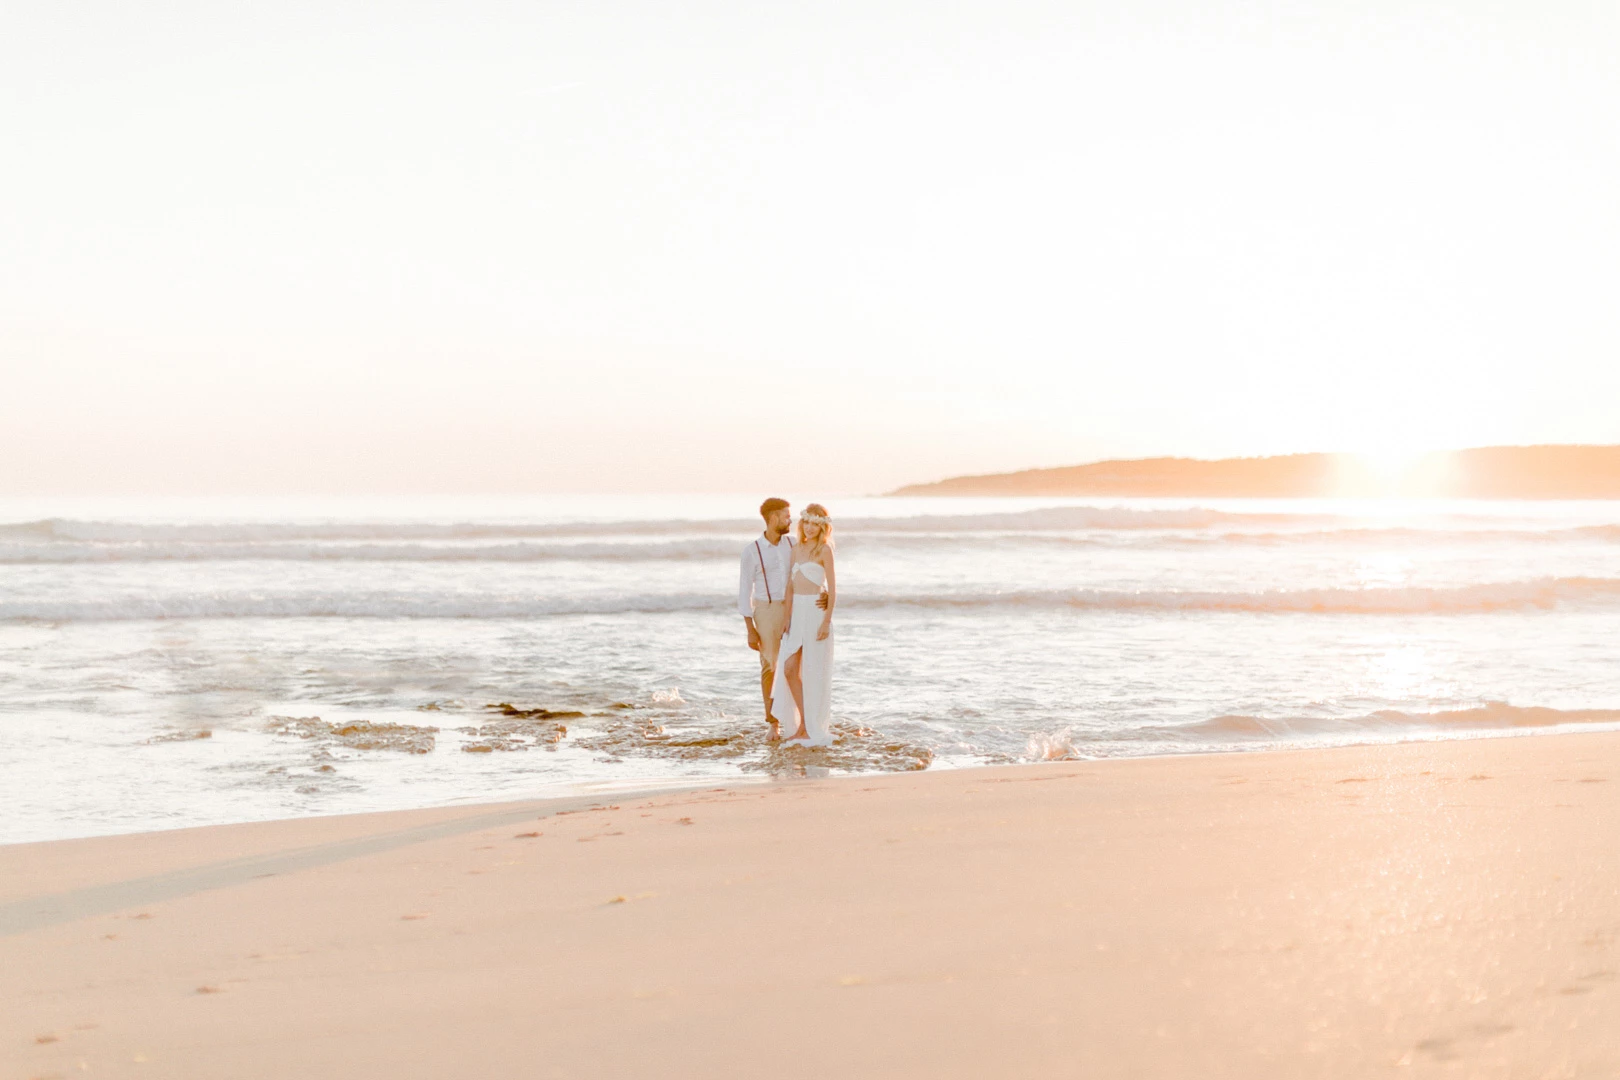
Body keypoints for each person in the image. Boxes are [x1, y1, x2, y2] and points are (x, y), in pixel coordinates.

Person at [738, 498, 826, 740]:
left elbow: (814, 568)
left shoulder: (794, 544)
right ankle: (773, 724)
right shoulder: (751, 551)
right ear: (774, 518)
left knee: (796, 667)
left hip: (797, 608)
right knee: (770, 667)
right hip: (767, 611)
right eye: (786, 516)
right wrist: (750, 628)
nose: (790, 520)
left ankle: (804, 722)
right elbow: (744, 592)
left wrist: (825, 593)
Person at [772, 503, 836, 746]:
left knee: (812, 672)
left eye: (815, 524)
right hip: (797, 613)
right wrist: (786, 618)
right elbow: (790, 586)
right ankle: (803, 723)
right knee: (789, 669)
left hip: (815, 614)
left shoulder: (825, 550)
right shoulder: (796, 549)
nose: (809, 528)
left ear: (822, 527)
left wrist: (826, 622)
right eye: (806, 523)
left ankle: (808, 727)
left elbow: (833, 589)